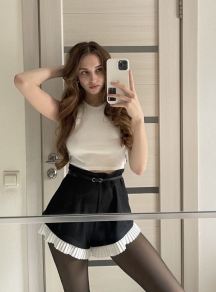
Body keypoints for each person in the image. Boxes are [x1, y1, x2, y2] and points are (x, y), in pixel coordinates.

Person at [14, 41, 184, 292]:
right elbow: (22, 81)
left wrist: (138, 118)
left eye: (99, 70)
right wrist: (67, 68)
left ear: (108, 70)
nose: (93, 78)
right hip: (72, 205)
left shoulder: (124, 111)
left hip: (114, 203)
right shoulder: (67, 112)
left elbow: (138, 167)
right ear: (76, 76)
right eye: (84, 72)